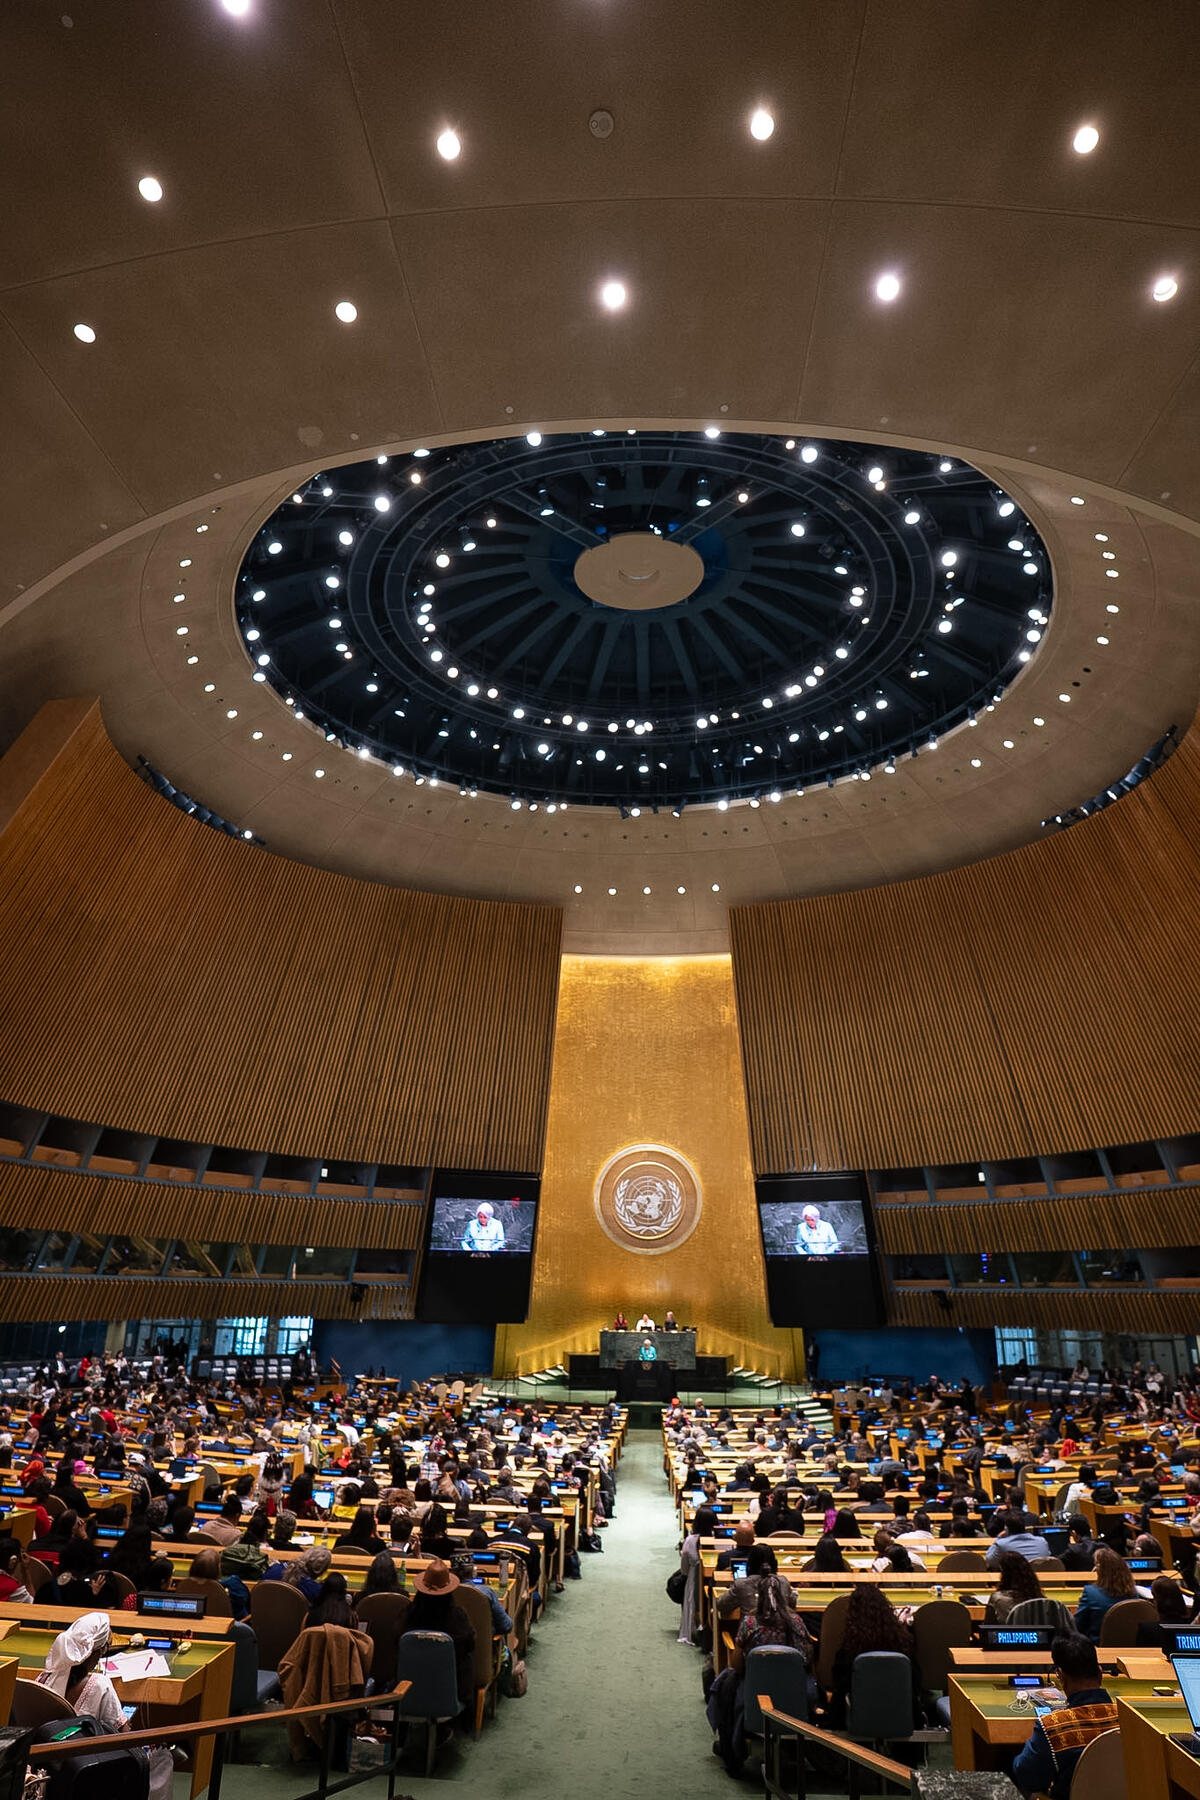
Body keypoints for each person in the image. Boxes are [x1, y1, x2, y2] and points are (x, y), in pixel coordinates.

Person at [35, 1613, 174, 1800]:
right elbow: (124, 1737)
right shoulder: (99, 1684)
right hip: (89, 1771)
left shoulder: (44, 1678)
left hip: (47, 1768)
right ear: (100, 1650)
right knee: (163, 1756)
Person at [1011, 1632, 1117, 1799]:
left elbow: (1027, 1776)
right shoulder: (1130, 1720)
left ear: (1060, 1676)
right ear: (1100, 1672)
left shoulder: (1052, 1726)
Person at [828, 1586, 919, 1730]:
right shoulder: (904, 1642)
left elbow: (838, 1682)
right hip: (901, 1714)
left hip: (857, 1716)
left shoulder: (849, 1648)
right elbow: (916, 1680)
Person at [400, 1559, 475, 1709]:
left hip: (408, 1689)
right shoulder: (458, 1617)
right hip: (452, 1688)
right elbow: (470, 1646)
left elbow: (395, 1644)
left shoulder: (408, 1615)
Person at [1074, 1545, 1136, 1642]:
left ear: (1099, 1570)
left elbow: (1077, 1626)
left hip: (1098, 1649)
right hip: (1132, 1650)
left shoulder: (1090, 1593)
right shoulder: (1135, 1595)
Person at [985, 1551, 1046, 1624]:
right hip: (1036, 1635)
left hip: (1006, 1635)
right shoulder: (1042, 1600)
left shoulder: (997, 1599)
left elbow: (988, 1628)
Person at [985, 1511, 1052, 1566]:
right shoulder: (1042, 1541)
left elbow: (990, 1560)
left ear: (1006, 1529)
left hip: (1015, 1581)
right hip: (1040, 1581)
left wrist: (998, 1538)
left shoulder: (1001, 1544)